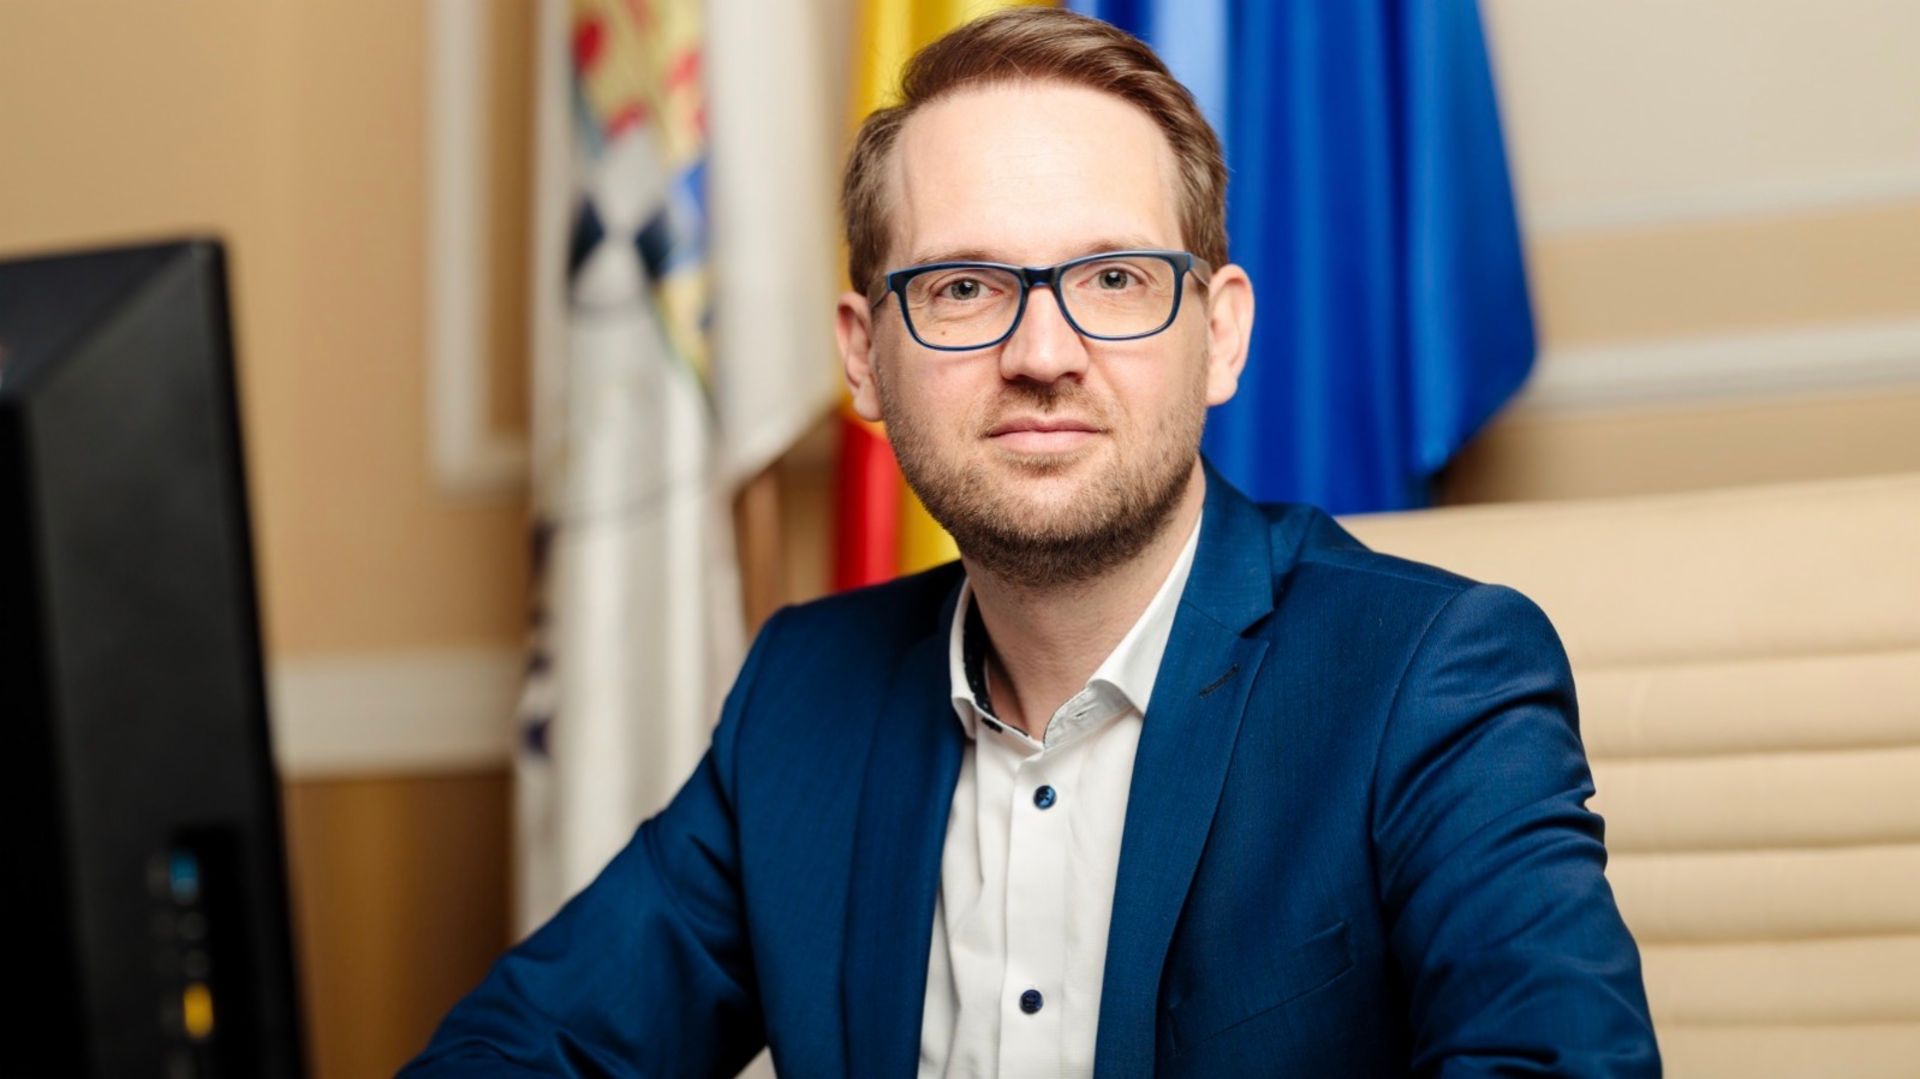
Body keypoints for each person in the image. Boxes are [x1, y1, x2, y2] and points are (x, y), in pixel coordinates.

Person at [403, 9, 1658, 1077]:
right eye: (963, 288)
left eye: (1114, 279)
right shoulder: (801, 697)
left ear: (1221, 336)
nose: (1043, 353)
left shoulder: (1431, 680)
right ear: (863, 357)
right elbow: (520, 1048)